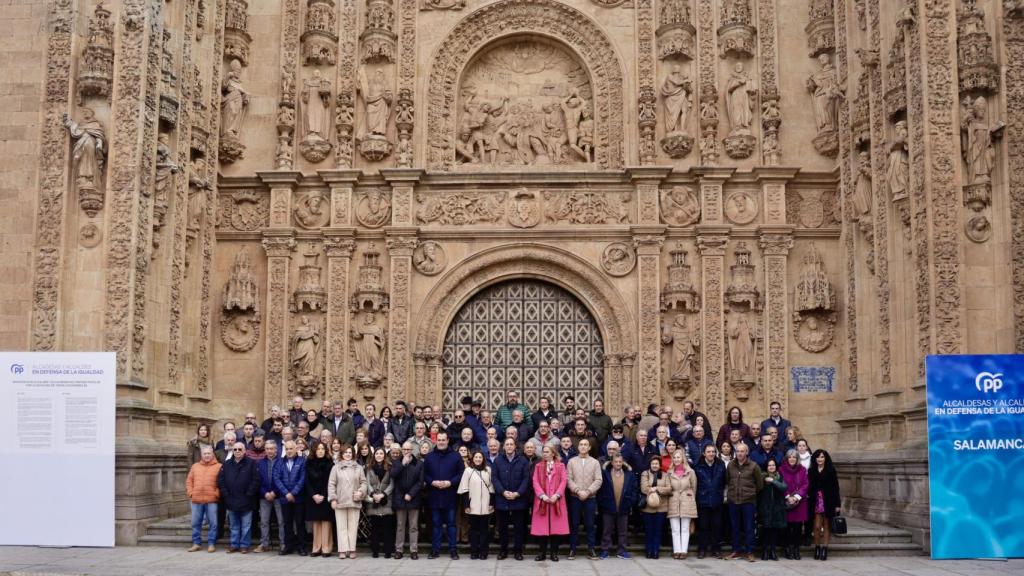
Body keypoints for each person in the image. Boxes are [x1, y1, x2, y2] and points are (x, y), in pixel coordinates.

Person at [424, 431, 465, 559]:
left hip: (450, 495)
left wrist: (450, 482)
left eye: (443, 440)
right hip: (434, 495)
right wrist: (432, 482)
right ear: (436, 441)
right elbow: (424, 474)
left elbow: (461, 474)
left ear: (448, 441)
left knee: (451, 524)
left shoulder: (456, 456)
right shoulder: (429, 457)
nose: (441, 442)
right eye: (439, 440)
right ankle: (435, 550)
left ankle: (453, 550)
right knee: (436, 524)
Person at [217, 441, 260, 553]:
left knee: (246, 526)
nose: (237, 451)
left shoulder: (251, 463)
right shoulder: (226, 464)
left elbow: (256, 480)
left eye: (240, 449)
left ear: (244, 451)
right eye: (235, 449)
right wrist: (225, 494)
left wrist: (249, 493)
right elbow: (220, 480)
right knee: (234, 526)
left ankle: (244, 545)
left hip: (247, 500)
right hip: (231, 499)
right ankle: (234, 544)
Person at [492, 437, 530, 560]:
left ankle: (518, 551)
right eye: (507, 444)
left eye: (511, 444)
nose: (509, 446)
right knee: (502, 527)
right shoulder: (498, 460)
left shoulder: (523, 460)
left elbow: (526, 479)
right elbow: (494, 478)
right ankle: (503, 550)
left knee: (519, 527)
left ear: (515, 446)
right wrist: (503, 492)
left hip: (518, 499)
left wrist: (518, 493)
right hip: (502, 498)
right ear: (503, 447)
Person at [726, 443, 763, 562]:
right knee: (734, 527)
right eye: (738, 451)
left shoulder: (754, 466)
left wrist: (749, 493)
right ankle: (736, 550)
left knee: (749, 527)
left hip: (748, 501)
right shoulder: (731, 465)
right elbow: (727, 480)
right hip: (733, 501)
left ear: (747, 452)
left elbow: (760, 485)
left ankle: (750, 551)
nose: (740, 453)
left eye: (742, 451)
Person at [566, 437, 602, 560]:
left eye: (585, 444)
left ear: (589, 447)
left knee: (590, 524)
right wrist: (577, 491)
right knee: (574, 524)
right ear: (578, 447)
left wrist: (587, 492)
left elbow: (598, 480)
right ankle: (572, 549)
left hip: (590, 497)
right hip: (575, 497)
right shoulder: (571, 461)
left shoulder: (595, 462)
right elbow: (568, 479)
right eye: (581, 444)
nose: (583, 446)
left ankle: (591, 549)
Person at [328, 445, 367, 559]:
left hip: (354, 501)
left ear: (353, 454)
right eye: (346, 452)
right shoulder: (336, 467)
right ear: (342, 454)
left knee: (353, 526)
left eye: (350, 452)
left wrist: (360, 492)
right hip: (340, 501)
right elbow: (331, 484)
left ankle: (352, 549)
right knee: (341, 526)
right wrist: (333, 498)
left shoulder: (358, 468)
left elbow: (364, 483)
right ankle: (342, 550)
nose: (348, 454)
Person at [532, 444, 569, 562]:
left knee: (556, 528)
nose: (545, 454)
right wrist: (542, 495)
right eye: (544, 452)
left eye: (547, 452)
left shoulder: (561, 466)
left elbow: (564, 481)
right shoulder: (538, 466)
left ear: (553, 453)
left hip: (556, 500)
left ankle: (554, 553)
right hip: (542, 500)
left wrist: (557, 495)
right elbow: (535, 481)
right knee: (542, 529)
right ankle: (541, 553)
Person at [596, 454, 637, 559]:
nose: (618, 463)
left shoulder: (629, 475)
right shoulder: (605, 474)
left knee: (623, 531)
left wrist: (630, 502)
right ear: (612, 462)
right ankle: (605, 550)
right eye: (616, 461)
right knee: (607, 531)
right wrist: (602, 503)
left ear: (622, 462)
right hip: (608, 507)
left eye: (620, 461)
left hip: (624, 507)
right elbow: (599, 491)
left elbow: (634, 490)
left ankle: (621, 551)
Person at [458, 450, 495, 559]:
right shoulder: (468, 471)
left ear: (483, 459)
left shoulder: (488, 470)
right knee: (473, 530)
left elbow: (491, 488)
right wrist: (466, 505)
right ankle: (474, 551)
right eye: (476, 457)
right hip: (472, 504)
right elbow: (464, 489)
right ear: (472, 459)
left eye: (480, 457)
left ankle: (484, 552)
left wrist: (491, 503)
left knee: (484, 529)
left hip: (486, 504)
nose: (478, 459)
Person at [274, 440, 308, 556]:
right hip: (284, 498)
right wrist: (286, 493)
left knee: (300, 523)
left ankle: (302, 547)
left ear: (296, 449)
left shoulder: (302, 461)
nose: (289, 451)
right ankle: (288, 546)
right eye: (287, 449)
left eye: (291, 449)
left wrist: (293, 493)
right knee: (287, 523)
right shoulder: (279, 462)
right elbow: (276, 479)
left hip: (299, 498)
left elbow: (302, 479)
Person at [391, 441, 424, 559]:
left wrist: (411, 494)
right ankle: (398, 550)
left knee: (413, 526)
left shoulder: (419, 463)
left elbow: (420, 482)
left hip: (413, 498)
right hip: (400, 498)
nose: (406, 452)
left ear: (412, 450)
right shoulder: (397, 462)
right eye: (404, 450)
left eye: (408, 450)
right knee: (400, 525)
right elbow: (393, 475)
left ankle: (413, 550)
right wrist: (402, 464)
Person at [186, 446, 222, 552]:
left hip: (212, 500)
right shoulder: (195, 466)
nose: (207, 455)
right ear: (202, 455)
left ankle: (211, 543)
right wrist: (190, 493)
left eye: (209, 453)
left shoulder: (219, 466)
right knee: (195, 523)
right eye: (205, 453)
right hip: (196, 499)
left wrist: (217, 494)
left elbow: (222, 483)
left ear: (212, 454)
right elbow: (189, 481)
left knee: (213, 523)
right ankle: (196, 543)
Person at [808, 449, 841, 561]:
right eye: (818, 457)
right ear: (815, 458)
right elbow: (809, 486)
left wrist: (838, 504)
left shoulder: (831, 470)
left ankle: (825, 549)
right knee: (817, 526)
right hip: (815, 501)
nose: (820, 459)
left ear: (825, 458)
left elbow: (836, 488)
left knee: (827, 525)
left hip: (829, 501)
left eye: (822, 457)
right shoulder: (811, 470)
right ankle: (817, 547)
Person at [693, 444, 725, 559]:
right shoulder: (698, 467)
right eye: (709, 452)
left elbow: (724, 482)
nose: (711, 454)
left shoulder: (720, 466)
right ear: (704, 453)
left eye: (713, 452)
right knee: (703, 526)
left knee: (716, 526)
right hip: (703, 500)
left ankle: (716, 549)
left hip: (717, 500)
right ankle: (702, 549)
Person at [302, 440, 333, 556]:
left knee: (326, 522)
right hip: (313, 496)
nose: (320, 451)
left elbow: (331, 482)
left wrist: (323, 495)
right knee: (316, 523)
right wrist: (313, 495)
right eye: (318, 449)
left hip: (326, 496)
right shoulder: (309, 462)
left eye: (322, 449)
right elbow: (307, 481)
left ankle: (326, 548)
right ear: (314, 450)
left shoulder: (330, 463)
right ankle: (316, 547)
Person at [665, 450, 697, 560]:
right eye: (675, 457)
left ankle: (684, 551)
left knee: (684, 528)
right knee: (674, 528)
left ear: (683, 458)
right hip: (673, 501)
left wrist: (689, 497)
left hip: (687, 501)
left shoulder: (690, 472)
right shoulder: (669, 473)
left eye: (679, 457)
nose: (676, 459)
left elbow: (694, 487)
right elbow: (668, 487)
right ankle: (676, 550)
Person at [365, 447, 395, 558]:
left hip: (386, 501)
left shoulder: (390, 467)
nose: (379, 455)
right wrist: (373, 494)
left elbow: (392, 484)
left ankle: (388, 551)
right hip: (374, 501)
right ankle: (375, 551)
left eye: (381, 453)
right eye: (377, 453)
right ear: (374, 455)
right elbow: (367, 483)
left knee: (388, 528)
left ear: (384, 455)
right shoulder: (369, 468)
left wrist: (383, 494)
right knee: (375, 528)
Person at [255, 440, 284, 553]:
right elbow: (258, 480)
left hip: (279, 495)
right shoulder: (260, 463)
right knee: (264, 521)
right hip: (264, 496)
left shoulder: (281, 462)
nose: (269, 451)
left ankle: (283, 543)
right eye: (267, 449)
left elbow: (283, 479)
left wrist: (274, 492)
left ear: (276, 450)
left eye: (271, 448)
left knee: (281, 521)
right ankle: (264, 543)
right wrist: (265, 493)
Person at [639, 455, 671, 559]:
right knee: (649, 530)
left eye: (657, 463)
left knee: (658, 530)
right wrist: (650, 489)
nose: (655, 465)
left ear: (660, 465)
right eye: (653, 463)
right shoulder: (645, 474)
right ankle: (648, 551)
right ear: (650, 464)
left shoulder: (666, 475)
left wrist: (656, 489)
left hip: (662, 507)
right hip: (648, 507)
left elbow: (669, 489)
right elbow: (644, 488)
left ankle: (656, 551)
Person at [779, 449, 809, 560]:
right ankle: (787, 548)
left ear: (797, 459)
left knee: (797, 528)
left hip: (800, 503)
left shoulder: (803, 469)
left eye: (794, 457)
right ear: (787, 458)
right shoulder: (781, 470)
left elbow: (805, 484)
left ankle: (796, 549)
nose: (792, 459)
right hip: (786, 502)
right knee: (787, 528)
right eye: (790, 457)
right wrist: (788, 497)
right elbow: (781, 484)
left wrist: (796, 497)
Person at [758, 458, 788, 561]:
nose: (771, 467)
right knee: (766, 530)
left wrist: (773, 481)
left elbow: (784, 487)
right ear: (766, 467)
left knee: (774, 531)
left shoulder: (779, 476)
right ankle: (765, 551)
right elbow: (758, 488)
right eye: (769, 465)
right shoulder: (762, 477)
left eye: (773, 465)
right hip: (765, 508)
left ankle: (773, 551)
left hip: (777, 508)